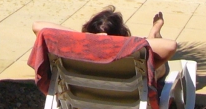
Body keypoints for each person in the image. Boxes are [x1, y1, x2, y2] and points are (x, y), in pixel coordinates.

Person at [32, 7, 176, 72]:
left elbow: (37, 26)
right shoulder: (127, 54)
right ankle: (154, 33)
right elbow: (170, 46)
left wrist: (84, 38)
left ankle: (153, 33)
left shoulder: (77, 51)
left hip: (84, 90)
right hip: (125, 93)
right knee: (157, 66)